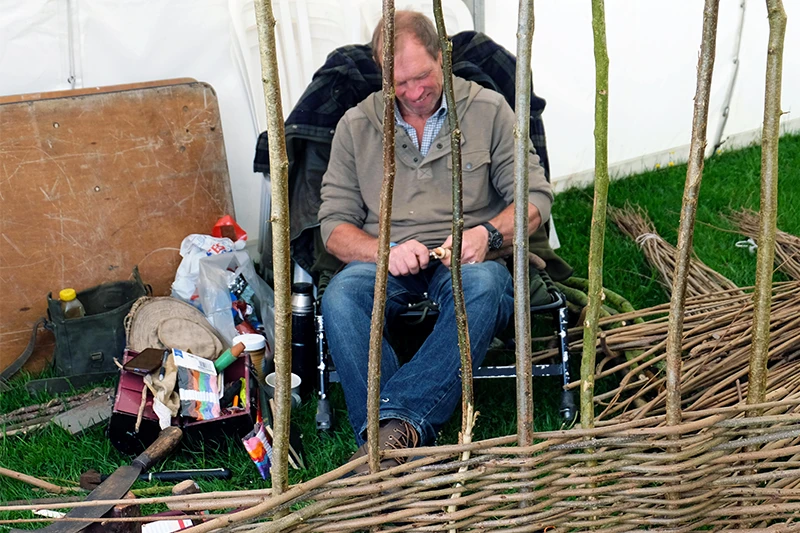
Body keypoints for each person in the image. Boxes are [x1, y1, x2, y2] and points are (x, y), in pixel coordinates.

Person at [318, 10, 553, 471]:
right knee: (342, 295)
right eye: (397, 83)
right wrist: (383, 253)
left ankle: (388, 437)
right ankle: (398, 436)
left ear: (443, 56)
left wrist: (486, 234)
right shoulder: (356, 126)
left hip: (469, 260)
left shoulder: (487, 109)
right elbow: (333, 227)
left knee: (483, 287)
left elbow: (535, 199)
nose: (412, 92)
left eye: (422, 76)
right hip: (386, 260)